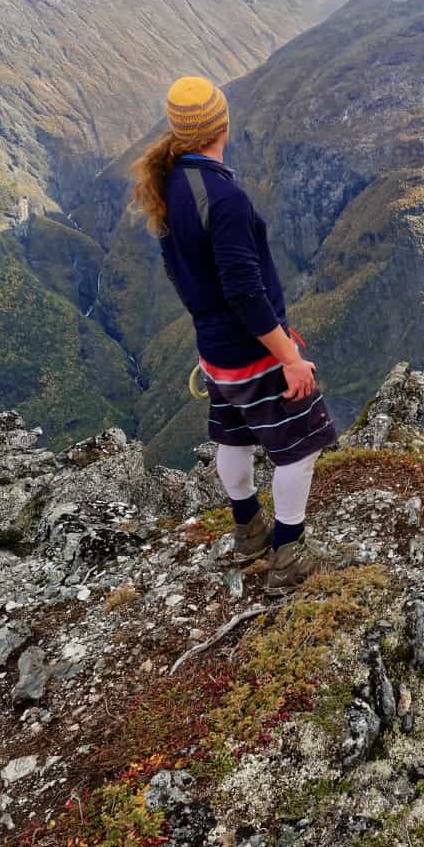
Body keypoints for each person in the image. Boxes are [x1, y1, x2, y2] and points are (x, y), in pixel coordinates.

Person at [130, 75, 338, 594]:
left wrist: (214, 328)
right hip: (251, 351)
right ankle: (288, 557)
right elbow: (244, 288)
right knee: (299, 448)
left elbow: (181, 272)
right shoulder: (223, 198)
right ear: (221, 122)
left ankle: (249, 530)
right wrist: (286, 354)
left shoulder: (171, 183)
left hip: (218, 348)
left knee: (234, 435)